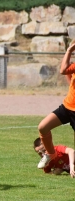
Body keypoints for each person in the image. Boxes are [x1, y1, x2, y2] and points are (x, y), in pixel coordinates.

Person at [37, 39, 75, 169]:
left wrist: (69, 50)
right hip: (67, 107)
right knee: (43, 127)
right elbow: (66, 71)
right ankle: (51, 154)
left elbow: (63, 70)